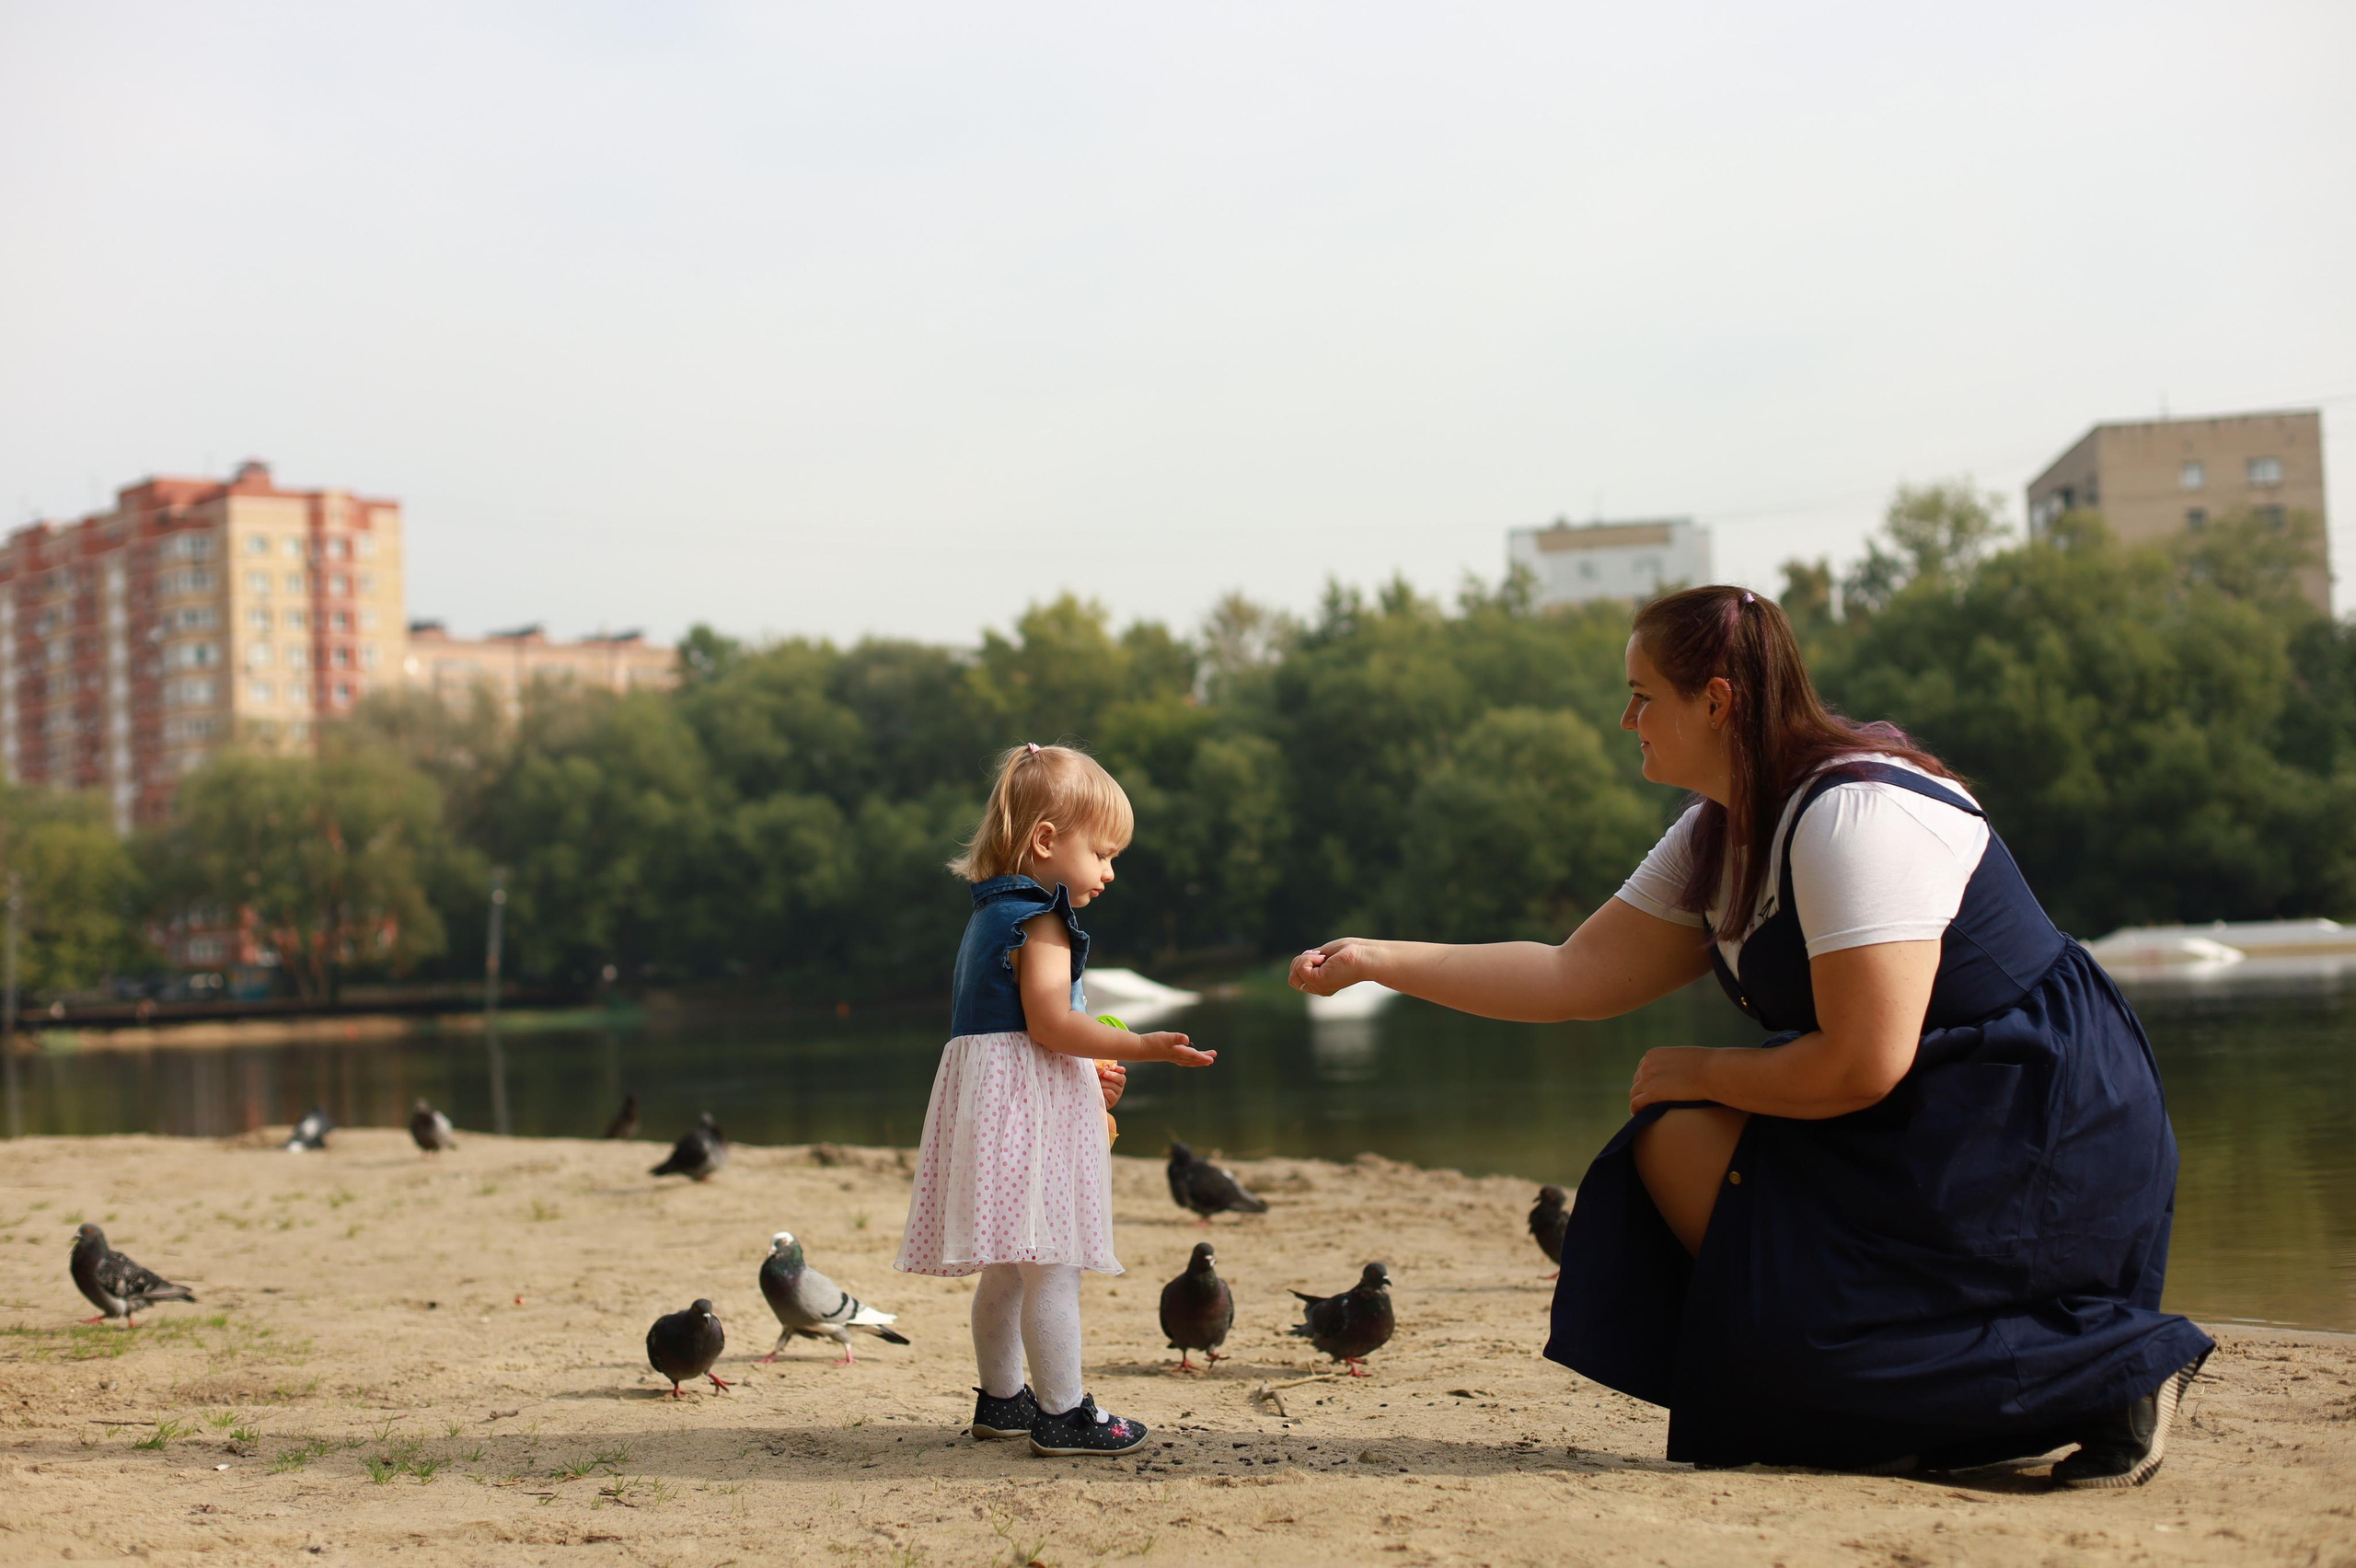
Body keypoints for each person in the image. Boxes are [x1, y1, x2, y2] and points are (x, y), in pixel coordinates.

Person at [1290, 585, 2212, 1486]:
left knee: (1687, 1116)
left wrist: (1703, 1066)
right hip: (1923, 1114)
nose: (1626, 720)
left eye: (1642, 697)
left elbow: (1862, 1060)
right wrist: (1378, 957)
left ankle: (2121, 1373)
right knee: (1673, 1146)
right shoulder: (1720, 830)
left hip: (2029, 1121)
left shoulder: (1855, 814)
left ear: (1718, 701)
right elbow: (1572, 976)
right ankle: (1931, 1396)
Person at [895, 742, 1218, 1458]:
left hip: (995, 1100)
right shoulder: (1042, 917)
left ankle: (1003, 1400)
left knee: (1008, 1266)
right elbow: (1047, 1024)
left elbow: (1017, 1033)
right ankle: (1064, 1413)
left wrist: (1084, 1070)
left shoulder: (988, 914)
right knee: (1053, 1263)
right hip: (1023, 1113)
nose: (1108, 873)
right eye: (1102, 854)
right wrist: (1144, 1045)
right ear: (1046, 841)